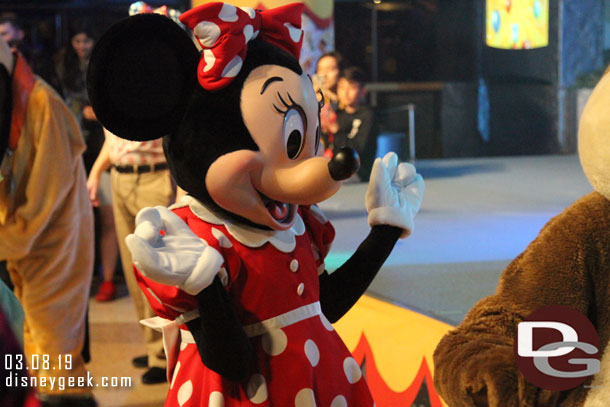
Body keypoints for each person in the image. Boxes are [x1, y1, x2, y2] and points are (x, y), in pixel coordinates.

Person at [0, 37, 96, 407]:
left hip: (54, 247)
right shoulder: (18, 99)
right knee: (32, 349)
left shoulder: (42, 103)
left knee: (56, 356)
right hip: (27, 251)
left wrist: (8, 239)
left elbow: (44, 197)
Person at [87, 129, 174, 383]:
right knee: (132, 268)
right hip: (119, 176)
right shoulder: (112, 94)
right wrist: (95, 173)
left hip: (153, 176)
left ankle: (165, 353)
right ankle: (153, 348)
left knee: (156, 269)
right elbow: (114, 141)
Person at [56, 22, 119, 302]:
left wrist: (99, 111)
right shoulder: (64, 69)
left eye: (86, 40)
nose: (82, 46)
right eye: (77, 41)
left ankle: (107, 279)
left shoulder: (106, 68)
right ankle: (79, 279)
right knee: (76, 219)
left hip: (103, 149)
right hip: (73, 153)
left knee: (107, 218)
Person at [332, 66, 378, 181]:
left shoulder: (367, 115)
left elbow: (358, 150)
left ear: (363, 91)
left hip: (356, 171)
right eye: (342, 87)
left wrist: (337, 131)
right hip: (333, 166)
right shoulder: (336, 114)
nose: (346, 92)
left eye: (352, 87)